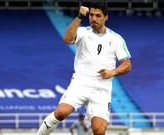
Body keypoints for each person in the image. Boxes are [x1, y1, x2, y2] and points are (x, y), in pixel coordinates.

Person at [37, 1, 132, 135]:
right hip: (80, 83)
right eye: (91, 15)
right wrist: (80, 16)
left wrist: (113, 72)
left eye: (98, 15)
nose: (93, 18)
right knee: (61, 112)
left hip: (101, 89)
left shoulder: (116, 39)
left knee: (99, 130)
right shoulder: (82, 32)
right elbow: (67, 39)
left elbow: (127, 65)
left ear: (106, 17)